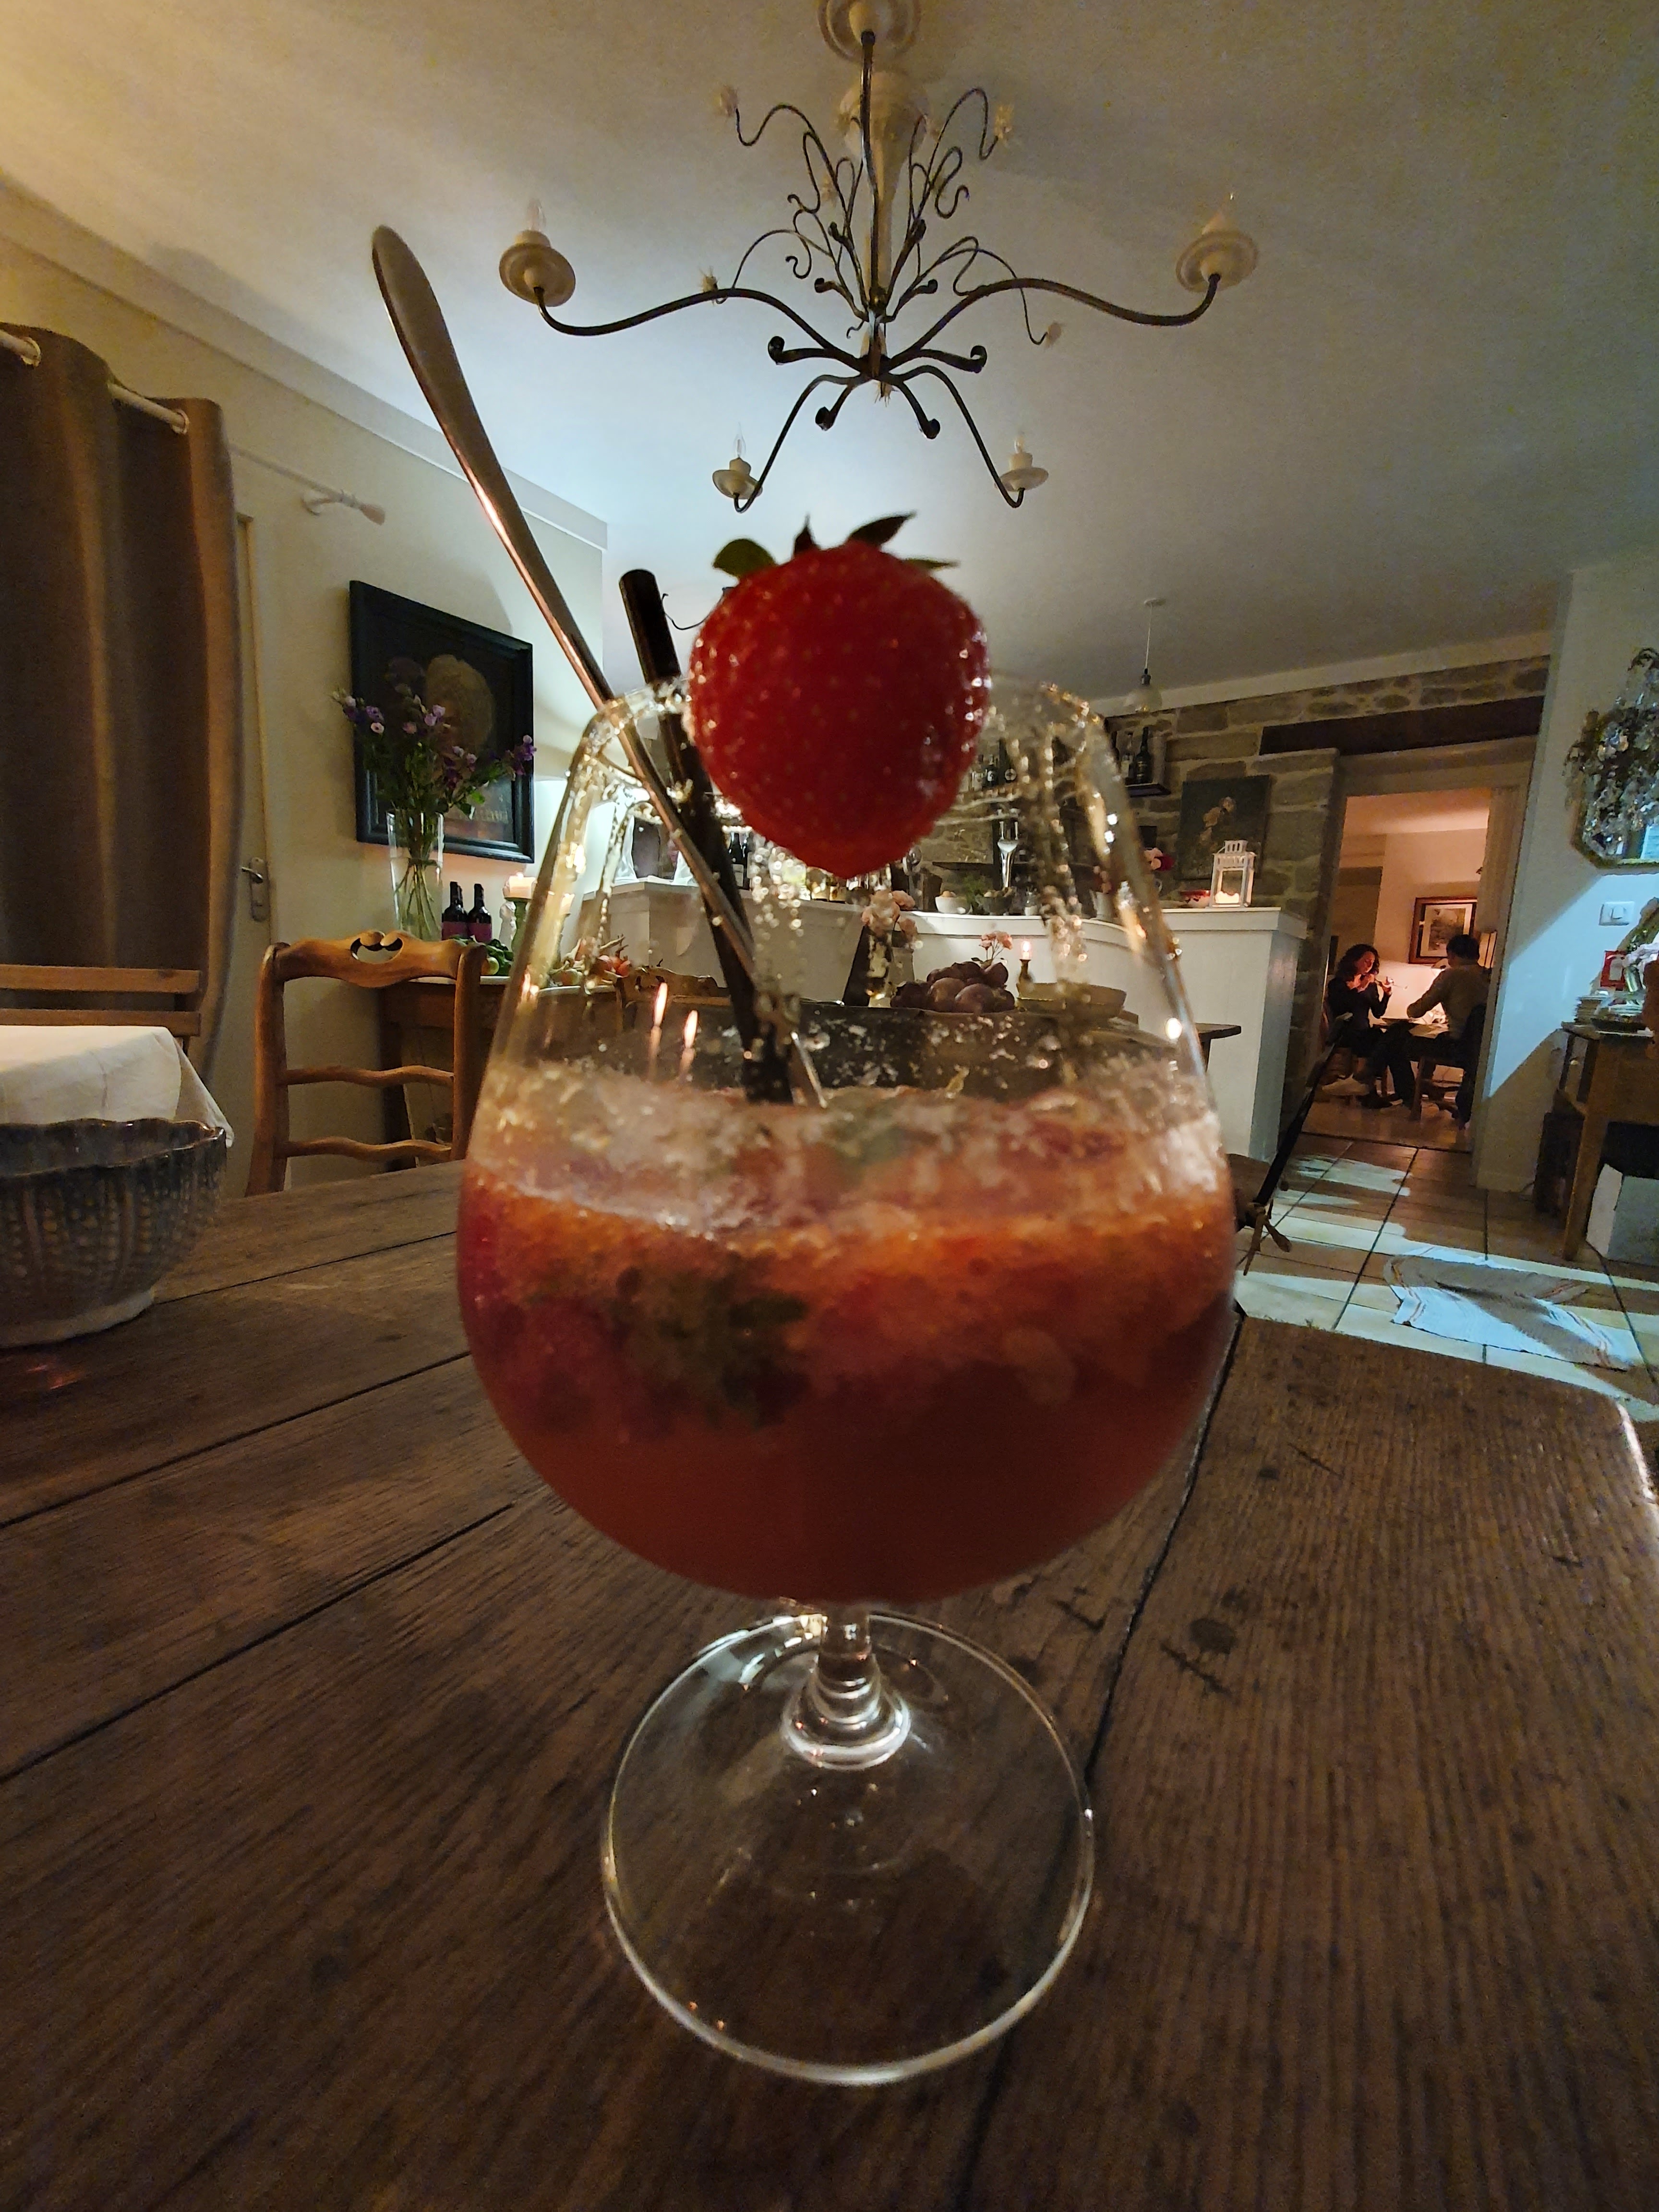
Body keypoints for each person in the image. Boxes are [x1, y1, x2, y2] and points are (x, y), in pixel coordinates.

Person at [1358, 932, 1491, 1113]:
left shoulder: (1451, 975)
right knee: (1406, 1035)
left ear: (1451, 955)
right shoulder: (1488, 976)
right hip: (1481, 1048)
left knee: (1396, 1037)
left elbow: (1416, 1011)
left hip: (1458, 1047)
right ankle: (1418, 1091)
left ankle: (1405, 1096)